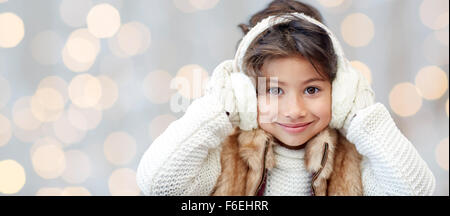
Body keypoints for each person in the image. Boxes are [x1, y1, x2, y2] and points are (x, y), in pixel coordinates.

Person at [136, 0, 436, 196]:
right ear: (245, 94)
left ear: (341, 90)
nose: (294, 111)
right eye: (274, 90)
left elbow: (416, 191)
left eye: (312, 89)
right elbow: (159, 184)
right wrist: (219, 108)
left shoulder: (357, 159)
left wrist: (362, 116)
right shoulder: (224, 155)